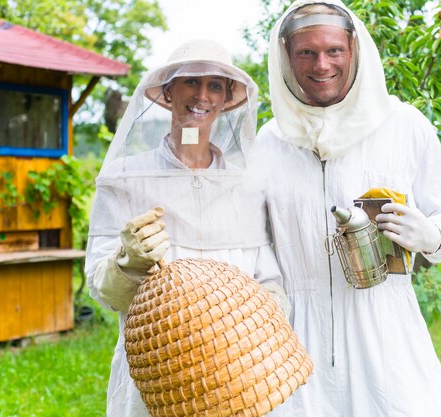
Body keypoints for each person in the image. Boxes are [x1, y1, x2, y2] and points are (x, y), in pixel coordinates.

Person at [250, 1, 441, 416]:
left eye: (334, 50)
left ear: (354, 50)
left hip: (385, 334)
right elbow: (253, 236)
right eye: (306, 52)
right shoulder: (268, 141)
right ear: (285, 55)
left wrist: (433, 235)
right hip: (292, 341)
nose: (321, 65)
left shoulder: (404, 126)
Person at [85, 39, 289, 417]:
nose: (202, 95)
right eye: (190, 82)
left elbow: (270, 281)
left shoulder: (246, 185)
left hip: (236, 377)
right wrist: (127, 261)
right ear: (168, 92)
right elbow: (101, 287)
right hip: (152, 375)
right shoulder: (126, 178)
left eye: (215, 85)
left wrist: (254, 327)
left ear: (228, 98)